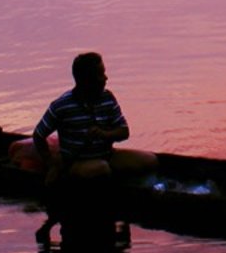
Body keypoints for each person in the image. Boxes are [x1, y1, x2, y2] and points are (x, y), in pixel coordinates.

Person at [33, 52, 158, 186]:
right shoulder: (61, 106)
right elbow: (38, 135)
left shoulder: (107, 98)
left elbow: (124, 131)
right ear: (87, 80)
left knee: (151, 160)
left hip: (108, 156)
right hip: (75, 162)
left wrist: (104, 134)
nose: (106, 78)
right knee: (101, 169)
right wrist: (51, 164)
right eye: (100, 74)